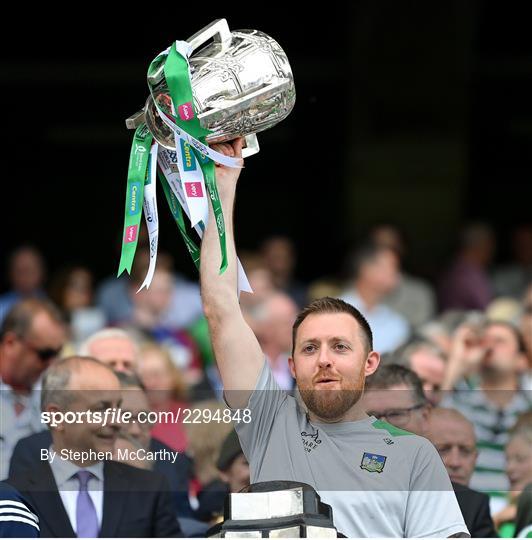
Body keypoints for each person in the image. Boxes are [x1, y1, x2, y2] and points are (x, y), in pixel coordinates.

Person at [199, 138, 468, 538]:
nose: (324, 358)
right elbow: (221, 308)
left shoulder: (413, 454)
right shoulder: (270, 422)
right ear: (292, 366)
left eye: (340, 347)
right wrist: (224, 180)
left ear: (369, 362)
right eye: (310, 348)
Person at [9, 356, 181, 537]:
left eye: (118, 408)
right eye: (101, 409)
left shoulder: (150, 489)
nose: (116, 421)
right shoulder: (15, 496)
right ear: (57, 417)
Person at [363, 366, 497, 538]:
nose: (383, 426)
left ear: (425, 416)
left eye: (396, 414)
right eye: (371, 417)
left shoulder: (468, 506)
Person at [0, 298, 66, 479]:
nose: (51, 364)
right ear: (10, 343)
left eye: (57, 353)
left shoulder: (56, 396)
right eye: (45, 354)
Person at [340, 242, 410, 353]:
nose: (398, 275)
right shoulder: (335, 312)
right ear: (366, 269)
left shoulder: (397, 323)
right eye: (393, 267)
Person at [0, 246, 46, 326]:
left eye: (29, 270)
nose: (25, 276)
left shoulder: (52, 306)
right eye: (20, 271)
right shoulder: (2, 307)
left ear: (41, 272)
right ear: (10, 274)